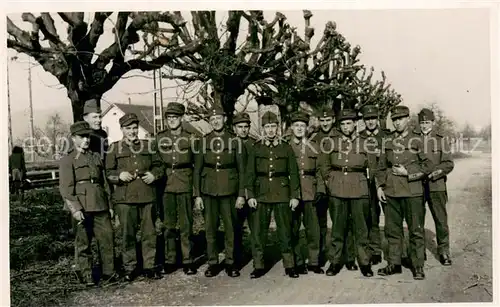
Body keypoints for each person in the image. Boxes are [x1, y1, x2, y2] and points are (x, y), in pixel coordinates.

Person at [375, 105, 433, 280]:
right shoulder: (388, 140)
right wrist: (380, 187)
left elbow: (429, 165)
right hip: (391, 192)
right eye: (395, 120)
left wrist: (409, 173)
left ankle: (417, 266)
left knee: (415, 230)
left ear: (408, 119)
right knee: (392, 230)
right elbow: (381, 167)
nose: (398, 122)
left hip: (412, 192)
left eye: (401, 119)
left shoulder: (418, 140)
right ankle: (394, 263)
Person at [105, 113, 164, 281]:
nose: (132, 131)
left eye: (134, 128)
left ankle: (149, 266)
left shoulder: (149, 146)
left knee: (149, 233)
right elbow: (108, 173)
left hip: (147, 196)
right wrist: (119, 175)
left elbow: (159, 166)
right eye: (128, 128)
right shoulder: (113, 148)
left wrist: (154, 175)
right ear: (122, 129)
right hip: (125, 199)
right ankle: (130, 267)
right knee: (127, 235)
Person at [58, 121, 117, 286]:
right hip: (82, 205)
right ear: (73, 138)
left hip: (100, 204)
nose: (86, 140)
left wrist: (110, 206)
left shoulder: (95, 157)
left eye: (87, 136)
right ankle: (86, 274)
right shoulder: (68, 160)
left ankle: (109, 273)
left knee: (107, 239)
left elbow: (104, 183)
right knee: (83, 242)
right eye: (82, 137)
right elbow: (66, 189)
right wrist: (75, 209)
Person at [319, 109, 376, 277]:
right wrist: (329, 181)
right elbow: (324, 164)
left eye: (349, 123)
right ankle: (335, 262)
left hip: (359, 187)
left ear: (355, 124)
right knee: (337, 227)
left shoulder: (366, 142)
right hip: (337, 187)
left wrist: (367, 184)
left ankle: (364, 262)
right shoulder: (330, 142)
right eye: (342, 124)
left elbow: (372, 166)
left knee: (361, 228)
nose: (345, 127)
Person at [192, 105, 246, 278]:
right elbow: (197, 170)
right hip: (208, 191)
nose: (216, 121)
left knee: (230, 228)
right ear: (210, 121)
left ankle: (230, 262)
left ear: (225, 119)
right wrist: (197, 195)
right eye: (212, 119)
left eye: (219, 118)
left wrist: (240, 194)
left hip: (229, 191)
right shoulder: (203, 141)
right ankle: (213, 262)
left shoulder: (235, 141)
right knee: (210, 229)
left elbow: (242, 170)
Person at [246, 111, 301, 279]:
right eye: (267, 127)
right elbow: (250, 173)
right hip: (261, 193)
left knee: (285, 231)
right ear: (262, 129)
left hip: (282, 193)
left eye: (273, 126)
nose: (270, 130)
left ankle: (290, 265)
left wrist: (294, 196)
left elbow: (293, 173)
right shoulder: (256, 148)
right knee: (258, 232)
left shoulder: (285, 147)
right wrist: (251, 195)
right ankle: (259, 265)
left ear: (278, 127)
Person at [311, 107, 357, 270]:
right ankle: (324, 255)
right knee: (321, 223)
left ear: (333, 120)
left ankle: (349, 257)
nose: (325, 123)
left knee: (345, 222)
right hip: (320, 187)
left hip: (339, 185)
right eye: (322, 120)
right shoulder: (314, 138)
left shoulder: (341, 135)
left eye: (328, 120)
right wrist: (321, 188)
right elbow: (318, 165)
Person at [156, 102, 198, 275]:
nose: (172, 120)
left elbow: (197, 165)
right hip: (166, 184)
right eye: (169, 118)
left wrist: (196, 191)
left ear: (181, 118)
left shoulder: (191, 137)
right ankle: (170, 259)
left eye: (175, 117)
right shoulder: (159, 138)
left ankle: (188, 260)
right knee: (168, 225)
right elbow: (156, 162)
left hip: (185, 182)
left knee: (187, 224)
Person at [289, 111, 325, 275]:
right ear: (291, 127)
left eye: (302, 126)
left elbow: (319, 171)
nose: (299, 128)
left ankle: (314, 261)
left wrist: (321, 189)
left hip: (310, 191)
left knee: (313, 229)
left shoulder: (314, 146)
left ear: (306, 128)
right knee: (293, 229)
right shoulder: (286, 146)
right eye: (296, 125)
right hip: (292, 193)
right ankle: (296, 262)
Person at [417, 108, 454, 266]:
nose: (424, 126)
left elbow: (448, 163)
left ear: (433, 122)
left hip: (436, 185)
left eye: (427, 122)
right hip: (417, 185)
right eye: (422, 123)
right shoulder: (414, 139)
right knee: (417, 220)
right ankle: (419, 252)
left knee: (440, 220)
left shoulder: (440, 140)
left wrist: (437, 172)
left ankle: (444, 251)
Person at [358, 105, 391, 265]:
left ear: (378, 119)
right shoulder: (359, 137)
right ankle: (375, 250)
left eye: (373, 118)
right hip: (368, 182)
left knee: (391, 217)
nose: (370, 122)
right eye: (367, 119)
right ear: (364, 121)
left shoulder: (386, 136)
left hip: (386, 182)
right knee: (372, 217)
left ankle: (395, 252)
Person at [232, 112, 258, 269]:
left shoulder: (255, 144)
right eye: (239, 127)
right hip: (235, 193)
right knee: (235, 227)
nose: (243, 130)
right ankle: (236, 259)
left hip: (253, 192)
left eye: (245, 127)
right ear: (234, 128)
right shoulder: (230, 144)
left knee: (255, 228)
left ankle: (258, 259)